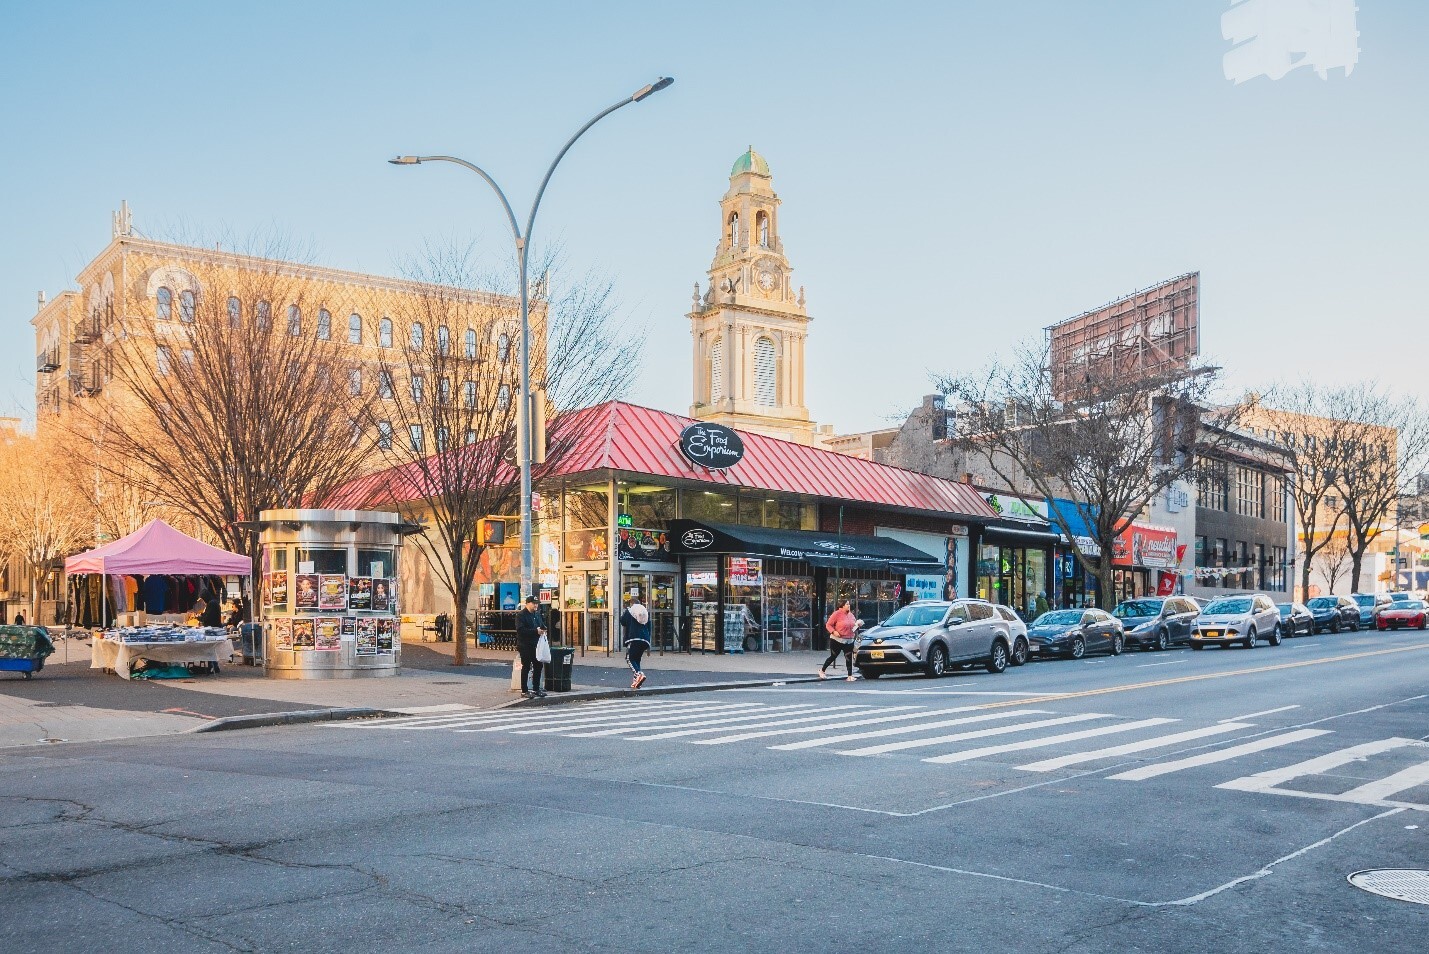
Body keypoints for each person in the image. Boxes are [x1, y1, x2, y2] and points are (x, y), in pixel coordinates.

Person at [820, 599, 859, 681]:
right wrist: (834, 632)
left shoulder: (851, 615)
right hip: (837, 639)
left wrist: (857, 626)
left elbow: (853, 627)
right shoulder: (837, 614)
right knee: (833, 656)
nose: (849, 605)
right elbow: (828, 625)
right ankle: (822, 670)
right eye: (847, 604)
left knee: (848, 657)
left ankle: (850, 675)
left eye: (849, 604)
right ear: (842, 606)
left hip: (849, 639)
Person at [516, 595, 547, 698]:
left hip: (536, 644)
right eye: (534, 603)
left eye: (537, 603)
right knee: (526, 667)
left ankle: (536, 688)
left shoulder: (536, 614)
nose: (536, 605)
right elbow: (520, 630)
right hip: (525, 645)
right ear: (528, 603)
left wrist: (543, 629)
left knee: (538, 665)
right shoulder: (521, 615)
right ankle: (524, 690)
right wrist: (535, 631)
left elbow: (541, 624)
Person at [620, 596, 651, 689]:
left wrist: (626, 612)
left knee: (629, 658)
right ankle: (636, 681)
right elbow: (649, 626)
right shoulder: (645, 612)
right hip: (644, 640)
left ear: (631, 604)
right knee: (637, 659)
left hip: (633, 638)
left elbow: (622, 621)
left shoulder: (630, 611)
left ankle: (638, 674)